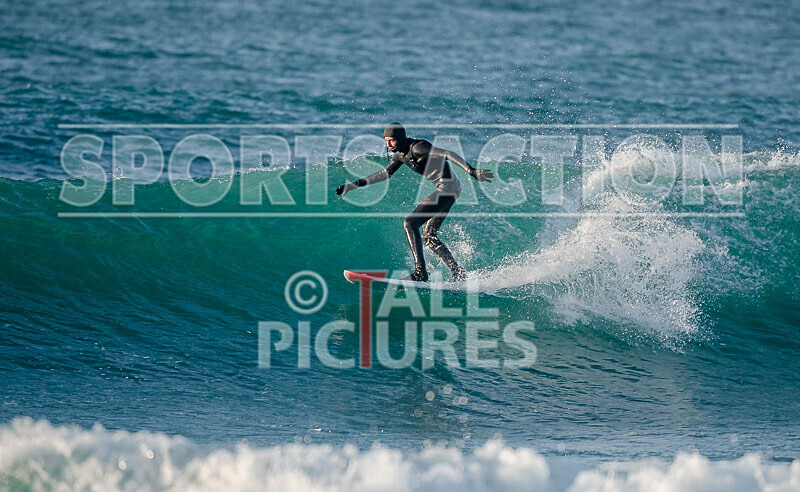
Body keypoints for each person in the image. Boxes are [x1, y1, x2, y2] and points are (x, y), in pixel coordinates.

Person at [336, 122, 494, 282]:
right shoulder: (400, 154)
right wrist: (353, 185)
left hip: (447, 187)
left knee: (410, 223)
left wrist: (471, 170)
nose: (388, 144)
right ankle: (458, 273)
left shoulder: (418, 147)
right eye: (386, 140)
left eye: (391, 140)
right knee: (428, 236)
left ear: (400, 138)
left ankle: (420, 273)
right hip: (450, 188)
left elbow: (447, 153)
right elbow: (385, 173)